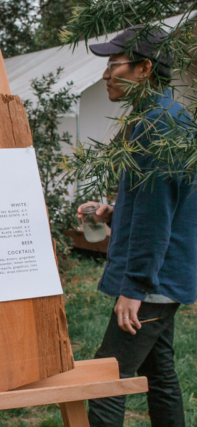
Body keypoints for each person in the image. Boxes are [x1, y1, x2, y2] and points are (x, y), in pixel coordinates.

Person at [79, 26, 196, 426]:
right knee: (159, 375)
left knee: (106, 378)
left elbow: (157, 215)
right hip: (161, 278)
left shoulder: (158, 125)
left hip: (152, 283)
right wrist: (112, 212)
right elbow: (160, 204)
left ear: (144, 68)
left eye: (114, 65)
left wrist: (134, 287)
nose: (105, 75)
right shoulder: (164, 114)